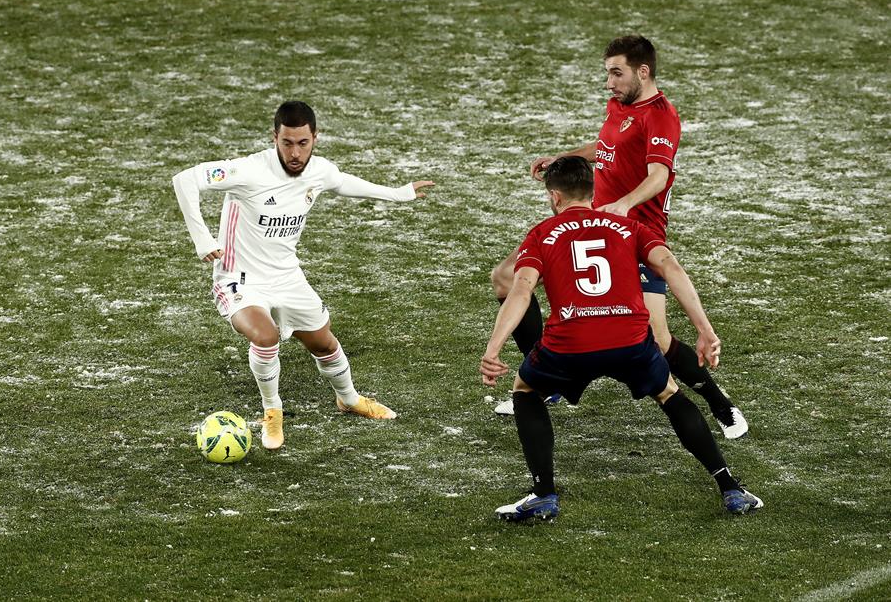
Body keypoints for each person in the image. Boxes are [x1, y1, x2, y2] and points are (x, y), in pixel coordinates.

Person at [491, 35, 747, 440]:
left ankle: (719, 403)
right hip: (590, 221)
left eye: (616, 73)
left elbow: (659, 175)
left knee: (658, 340)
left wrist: (624, 205)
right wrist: (565, 157)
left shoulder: (661, 117)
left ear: (642, 72)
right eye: (608, 73)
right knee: (506, 277)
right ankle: (550, 380)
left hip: (634, 232)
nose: (609, 82)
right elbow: (606, 147)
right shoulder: (621, 105)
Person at [481, 156, 762, 521]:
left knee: (526, 389)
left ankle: (543, 493)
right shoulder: (628, 227)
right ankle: (730, 488)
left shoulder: (541, 233)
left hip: (570, 343)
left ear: (554, 197)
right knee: (669, 393)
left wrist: (493, 348)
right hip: (630, 340)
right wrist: (705, 329)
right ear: (592, 191)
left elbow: (520, 289)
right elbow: (671, 268)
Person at [173, 100, 434, 449]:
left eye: (303, 143)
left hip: (287, 277)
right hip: (240, 278)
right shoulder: (247, 171)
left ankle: (349, 399)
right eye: (286, 143)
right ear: (275, 138)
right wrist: (202, 238)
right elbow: (186, 179)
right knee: (265, 336)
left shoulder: (319, 171)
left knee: (323, 342)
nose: (295, 153)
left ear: (315, 138)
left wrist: (398, 194)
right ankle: (272, 412)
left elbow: (342, 182)